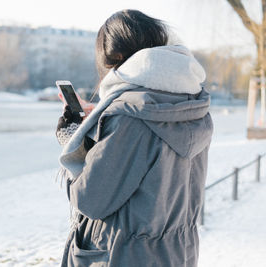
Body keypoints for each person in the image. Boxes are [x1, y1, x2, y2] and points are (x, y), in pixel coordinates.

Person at [56, 9, 213, 267]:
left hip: (121, 255)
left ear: (115, 57)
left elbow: (91, 200)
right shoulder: (194, 105)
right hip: (177, 254)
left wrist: (75, 140)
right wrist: (101, 121)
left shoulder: (129, 116)